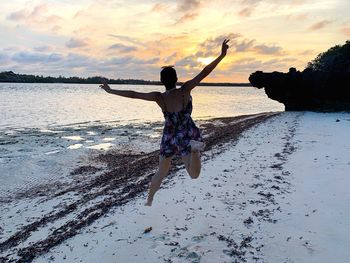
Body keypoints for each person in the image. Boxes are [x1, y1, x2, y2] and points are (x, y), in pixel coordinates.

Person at [100, 39, 229, 206]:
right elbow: (205, 71)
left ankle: (150, 199)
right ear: (176, 79)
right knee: (193, 174)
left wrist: (110, 91)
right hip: (187, 132)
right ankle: (195, 151)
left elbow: (133, 94)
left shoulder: (158, 97)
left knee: (161, 171)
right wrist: (222, 55)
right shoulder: (185, 90)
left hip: (169, 135)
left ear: (162, 82)